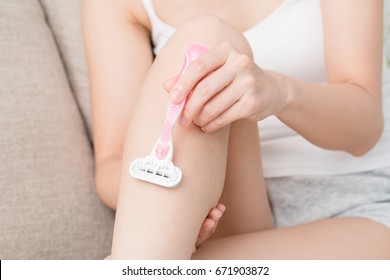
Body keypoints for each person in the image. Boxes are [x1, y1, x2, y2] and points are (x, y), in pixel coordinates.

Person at [82, 0, 390, 259]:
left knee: (153, 267)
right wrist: (177, 210)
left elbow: (365, 131)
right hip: (227, 204)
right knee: (204, 39)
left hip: (352, 199)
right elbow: (114, 161)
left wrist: (280, 93)